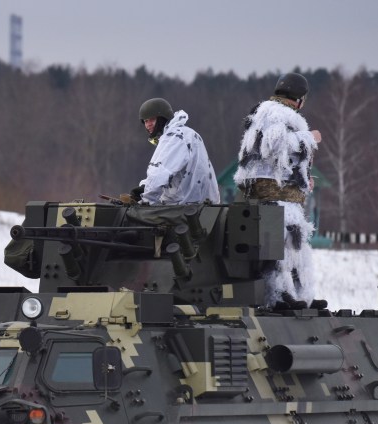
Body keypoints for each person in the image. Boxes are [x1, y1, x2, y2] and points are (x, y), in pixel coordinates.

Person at [234, 72, 325, 310]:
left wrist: (303, 179)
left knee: (295, 250)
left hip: (284, 199)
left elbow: (278, 160)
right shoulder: (275, 112)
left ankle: (300, 295)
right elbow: (273, 145)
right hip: (275, 199)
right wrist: (308, 137)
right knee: (281, 251)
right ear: (300, 98)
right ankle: (281, 296)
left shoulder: (270, 112)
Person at [130, 98, 220, 206]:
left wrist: (145, 200)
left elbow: (159, 173)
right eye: (145, 121)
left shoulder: (175, 137)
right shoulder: (184, 134)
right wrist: (144, 187)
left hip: (188, 209)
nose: (148, 124)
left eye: (152, 119)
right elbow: (172, 174)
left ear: (162, 118)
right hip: (199, 206)